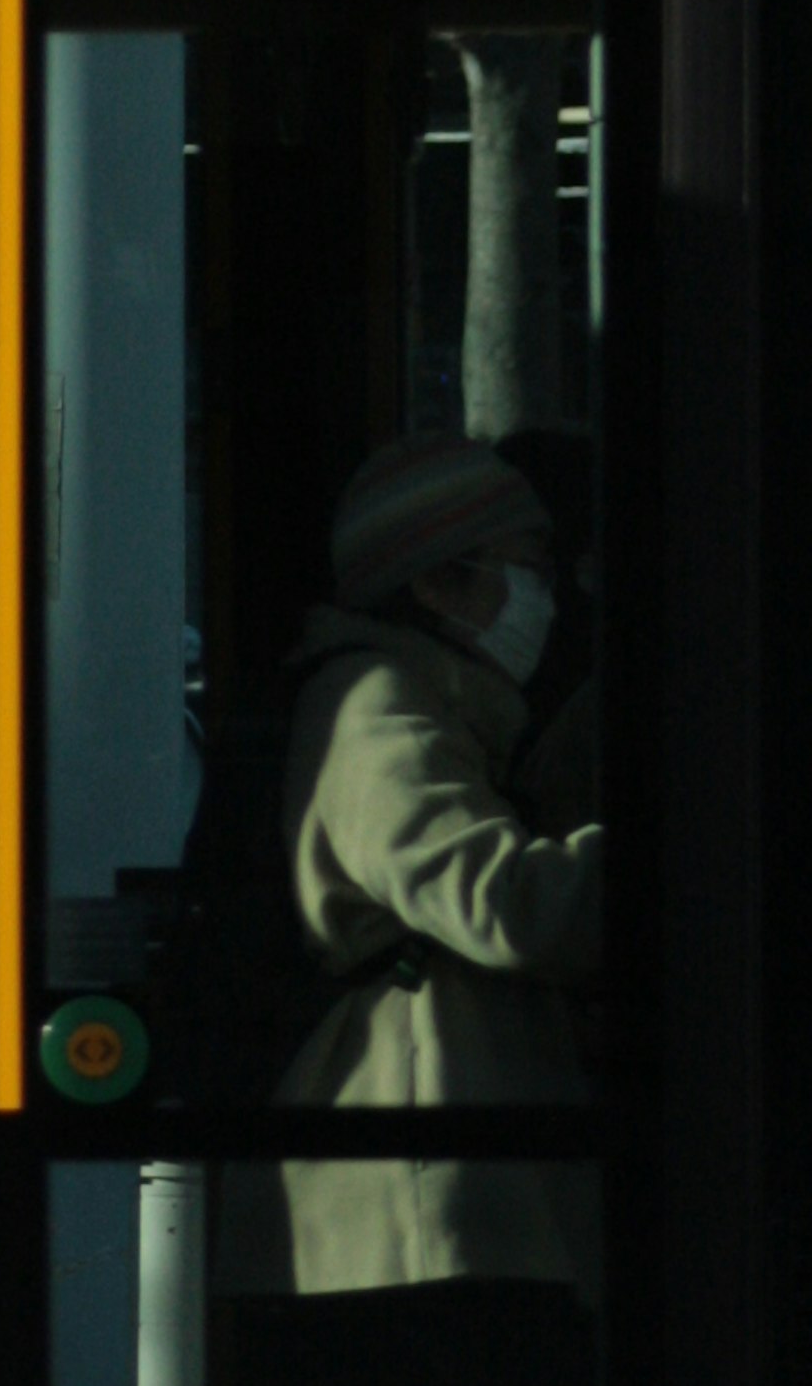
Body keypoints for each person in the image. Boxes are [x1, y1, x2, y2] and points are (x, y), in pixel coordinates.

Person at [257, 430, 602, 1298]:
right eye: (530, 569)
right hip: (420, 1188)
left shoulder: (437, 706)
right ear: (438, 582)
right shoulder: (377, 706)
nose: (547, 599)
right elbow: (501, 903)